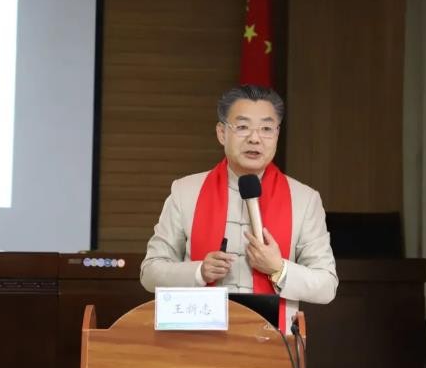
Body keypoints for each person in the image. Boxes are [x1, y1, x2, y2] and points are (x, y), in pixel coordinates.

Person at [140, 85, 338, 328]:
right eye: (243, 127)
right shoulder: (186, 191)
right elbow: (150, 272)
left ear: (277, 134)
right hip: (196, 338)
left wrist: (279, 269)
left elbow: (327, 285)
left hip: (272, 340)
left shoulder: (304, 199)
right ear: (222, 133)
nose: (255, 138)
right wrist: (199, 272)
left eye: (266, 129)